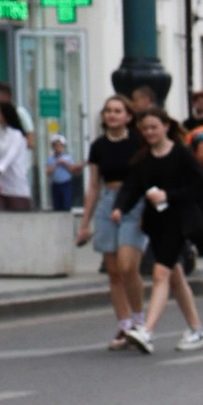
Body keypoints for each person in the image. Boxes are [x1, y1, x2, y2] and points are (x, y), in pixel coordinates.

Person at [127, 107, 203, 347]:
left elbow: (201, 189)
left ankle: (147, 330)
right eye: (144, 129)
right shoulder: (144, 157)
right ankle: (197, 330)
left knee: (160, 273)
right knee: (175, 277)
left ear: (166, 126)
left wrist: (168, 196)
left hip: (179, 221)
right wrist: (120, 209)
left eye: (153, 127)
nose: (149, 132)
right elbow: (133, 187)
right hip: (157, 223)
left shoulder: (181, 154)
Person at [85, 93, 148, 348]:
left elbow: (147, 176)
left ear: (129, 116)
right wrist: (83, 223)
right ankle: (124, 326)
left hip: (134, 202)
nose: (112, 115)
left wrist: (146, 212)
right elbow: (93, 186)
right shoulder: (98, 146)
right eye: (108, 110)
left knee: (127, 265)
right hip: (108, 203)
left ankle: (140, 321)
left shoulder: (138, 142)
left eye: (117, 111)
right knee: (112, 270)